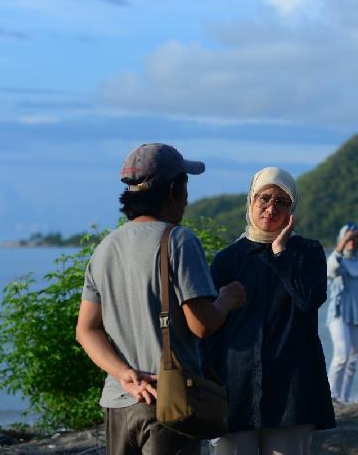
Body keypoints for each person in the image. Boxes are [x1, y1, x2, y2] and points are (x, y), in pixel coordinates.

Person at [75, 143, 246, 455]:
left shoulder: (105, 249)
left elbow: (86, 330)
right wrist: (227, 299)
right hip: (170, 403)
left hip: (118, 403)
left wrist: (124, 374)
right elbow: (202, 325)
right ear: (173, 191)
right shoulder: (179, 240)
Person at [205, 167, 335, 455]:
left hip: (291, 388)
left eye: (281, 201)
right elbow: (211, 327)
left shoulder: (307, 252)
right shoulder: (228, 260)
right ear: (251, 201)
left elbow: (310, 300)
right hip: (236, 386)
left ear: (292, 209)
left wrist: (281, 253)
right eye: (264, 198)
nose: (270, 208)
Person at [326, 222, 358, 403]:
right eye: (348, 238)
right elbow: (330, 268)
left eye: (355, 238)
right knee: (341, 356)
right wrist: (341, 243)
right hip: (339, 316)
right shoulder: (339, 261)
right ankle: (331, 396)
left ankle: (344, 397)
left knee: (353, 361)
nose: (352, 242)